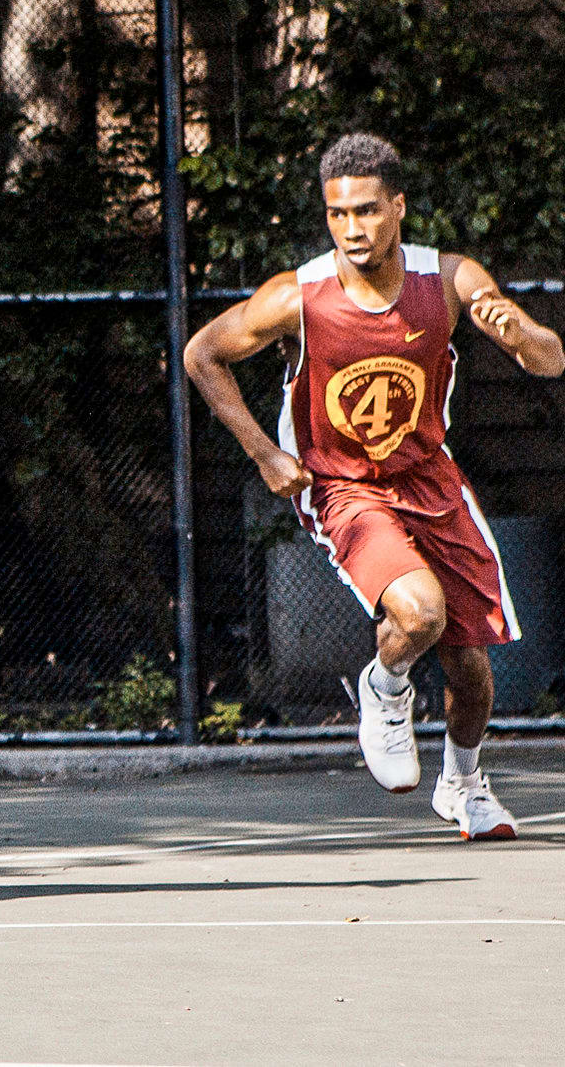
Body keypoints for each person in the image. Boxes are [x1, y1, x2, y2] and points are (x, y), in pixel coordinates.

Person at [183, 133, 558, 840]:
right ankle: (383, 686)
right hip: (342, 485)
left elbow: (549, 357)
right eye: (338, 213)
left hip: (430, 479)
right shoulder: (299, 295)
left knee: (471, 667)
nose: (352, 228)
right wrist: (265, 453)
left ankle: (465, 783)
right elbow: (201, 353)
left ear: (398, 208)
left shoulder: (447, 280)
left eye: (367, 211)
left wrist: (519, 331)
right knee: (419, 613)